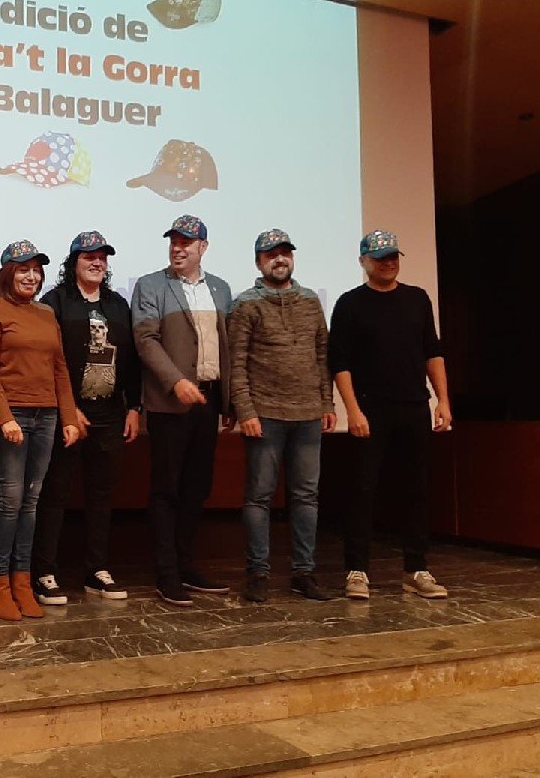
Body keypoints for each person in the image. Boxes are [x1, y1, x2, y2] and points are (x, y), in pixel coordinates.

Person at [329, 229, 453, 601]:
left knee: (416, 490)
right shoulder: (350, 303)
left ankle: (416, 569)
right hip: (371, 409)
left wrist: (443, 400)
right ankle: (357, 570)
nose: (388, 262)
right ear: (363, 261)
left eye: (393, 256)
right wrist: (352, 410)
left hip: (414, 406)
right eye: (380, 257)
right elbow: (340, 362)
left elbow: (432, 351)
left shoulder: (417, 299)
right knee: (363, 490)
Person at [31, 231, 142, 604]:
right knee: (55, 492)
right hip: (67, 414)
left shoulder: (117, 304)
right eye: (88, 256)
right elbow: (46, 360)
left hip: (109, 413)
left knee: (101, 494)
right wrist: (67, 409)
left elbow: (132, 361)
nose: (97, 262)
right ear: (73, 262)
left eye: (102, 257)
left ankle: (97, 570)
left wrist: (134, 407)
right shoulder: (55, 302)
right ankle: (44, 572)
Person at [227, 229, 336, 604]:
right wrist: (245, 410)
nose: (280, 259)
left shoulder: (310, 301)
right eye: (271, 254)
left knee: (307, 496)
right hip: (265, 415)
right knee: (259, 497)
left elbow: (322, 356)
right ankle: (258, 573)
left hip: (308, 414)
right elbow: (236, 364)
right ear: (258, 261)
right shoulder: (245, 304)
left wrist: (327, 404)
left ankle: (304, 573)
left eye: (285, 252)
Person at [131, 215, 234, 607]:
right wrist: (175, 381)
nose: (178, 248)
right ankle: (167, 574)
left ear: (203, 247)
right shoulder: (151, 285)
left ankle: (186, 565)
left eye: (186, 242)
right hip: (169, 403)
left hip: (209, 402)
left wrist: (229, 401)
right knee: (167, 489)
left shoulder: (220, 288)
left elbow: (227, 347)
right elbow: (146, 339)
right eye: (173, 241)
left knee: (197, 488)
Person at [0, 240, 80, 620]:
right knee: (10, 499)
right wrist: (4, 418)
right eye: (23, 269)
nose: (31, 276)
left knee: (31, 501)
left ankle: (22, 581)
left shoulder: (46, 313)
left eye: (36, 270)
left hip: (47, 415)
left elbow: (60, 368)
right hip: (12, 415)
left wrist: (69, 418)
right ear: (8, 273)